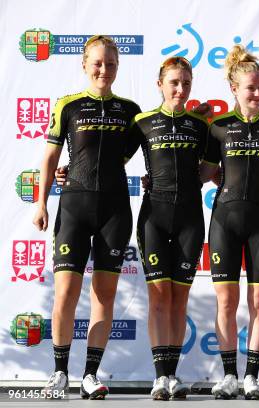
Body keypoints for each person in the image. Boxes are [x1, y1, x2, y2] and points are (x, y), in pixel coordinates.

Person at [32, 35, 141, 400]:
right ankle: (59, 373)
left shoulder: (131, 111)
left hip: (114, 210)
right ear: (84, 64)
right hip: (74, 207)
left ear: (117, 67)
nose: (103, 69)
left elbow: (145, 147)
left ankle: (90, 375)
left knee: (104, 295)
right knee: (65, 292)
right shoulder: (68, 105)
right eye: (97, 62)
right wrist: (41, 202)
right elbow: (49, 159)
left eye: (110, 63)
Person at [124, 56, 208, 400]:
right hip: (154, 217)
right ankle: (160, 377)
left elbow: (211, 169)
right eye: (174, 82)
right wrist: (67, 173)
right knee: (159, 297)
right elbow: (109, 159)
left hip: (190, 217)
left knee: (179, 299)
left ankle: (173, 375)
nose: (180, 89)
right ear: (160, 84)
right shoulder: (142, 122)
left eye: (185, 83)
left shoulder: (200, 125)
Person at [200, 45, 259, 400]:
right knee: (226, 303)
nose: (258, 93)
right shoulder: (217, 128)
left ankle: (252, 376)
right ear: (234, 89)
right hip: (224, 222)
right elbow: (202, 173)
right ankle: (230, 374)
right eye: (251, 87)